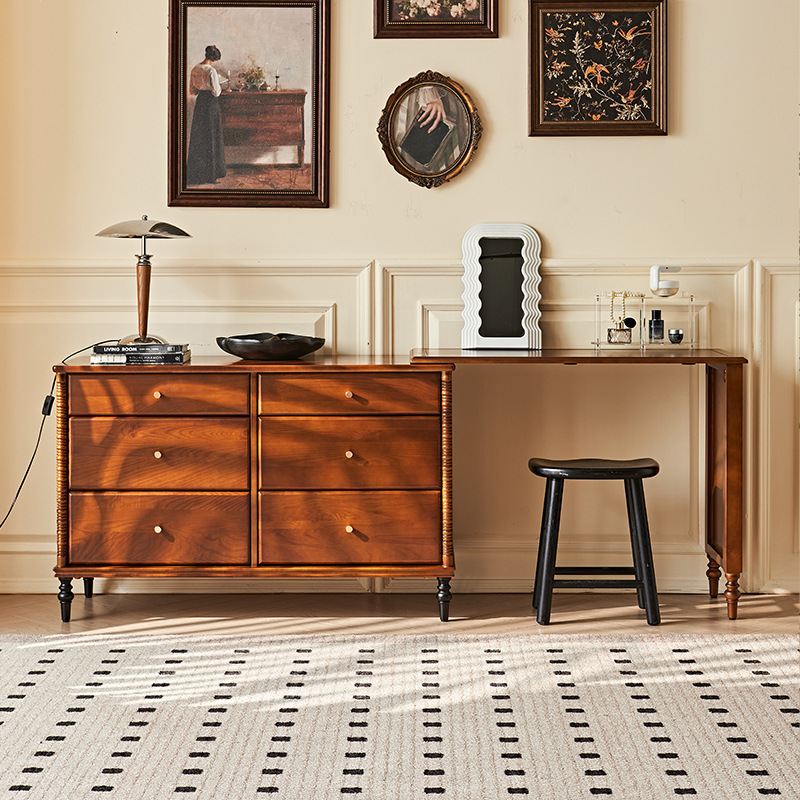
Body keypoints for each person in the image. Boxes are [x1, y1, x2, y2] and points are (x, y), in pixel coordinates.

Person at [186, 45, 227, 185]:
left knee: (200, 137)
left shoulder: (195, 69)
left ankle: (197, 174)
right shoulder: (211, 71)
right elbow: (216, 92)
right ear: (214, 59)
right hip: (210, 104)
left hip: (200, 104)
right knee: (211, 136)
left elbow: (192, 91)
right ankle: (212, 174)